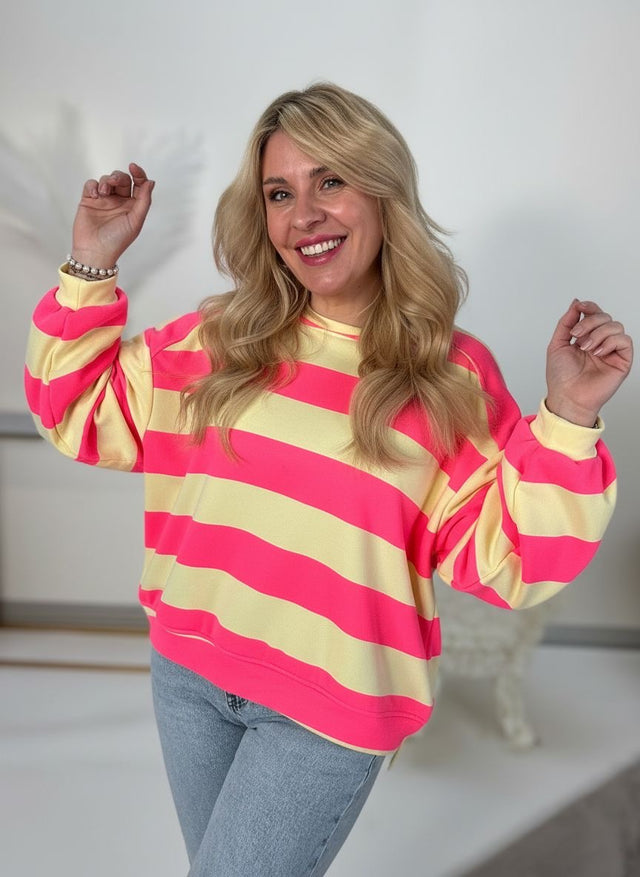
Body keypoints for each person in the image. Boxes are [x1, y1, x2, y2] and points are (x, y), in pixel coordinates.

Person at [25, 83, 632, 876]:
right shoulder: (219, 336)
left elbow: (515, 557)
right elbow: (74, 409)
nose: (304, 214)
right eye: (280, 193)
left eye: (331, 181)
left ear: (381, 192)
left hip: (324, 716)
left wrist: (569, 416)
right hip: (188, 675)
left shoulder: (447, 375)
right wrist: (92, 261)